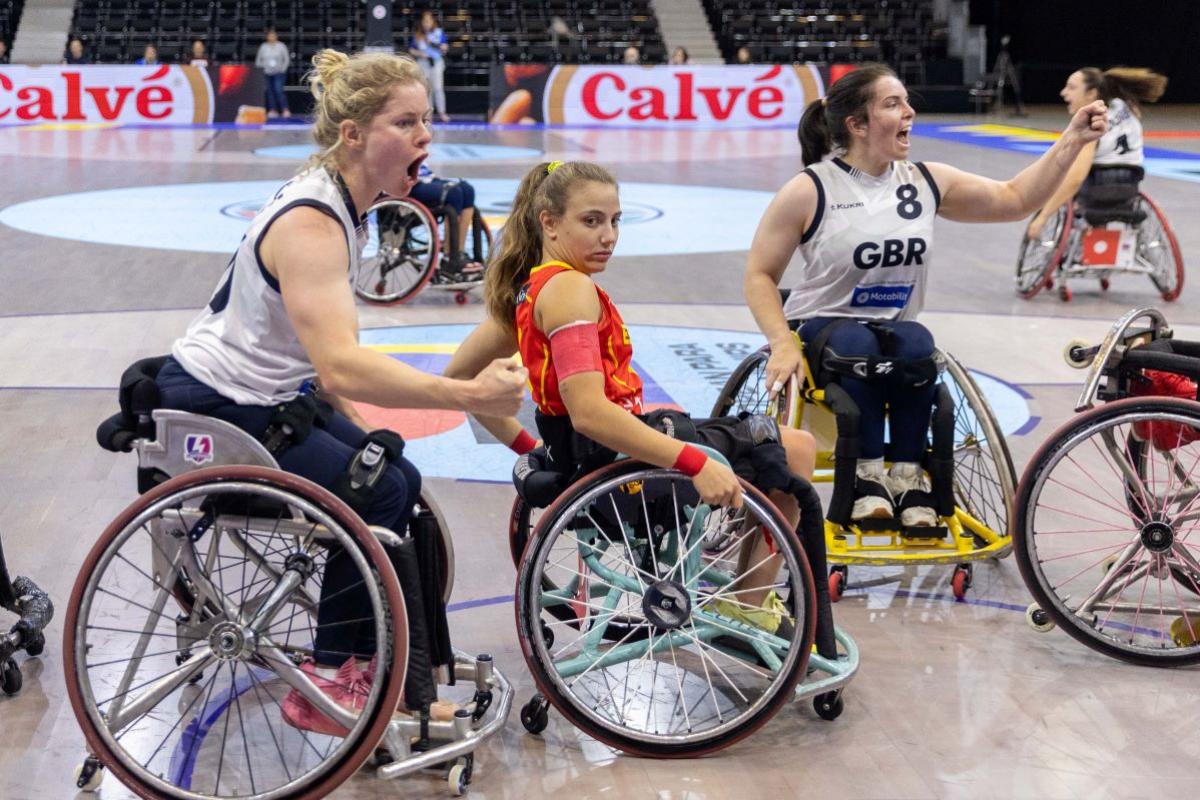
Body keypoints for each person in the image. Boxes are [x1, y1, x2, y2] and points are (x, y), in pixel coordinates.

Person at [152, 49, 527, 733]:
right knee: (378, 491)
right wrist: (470, 395)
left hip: (261, 397)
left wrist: (364, 434)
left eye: (426, 120)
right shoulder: (314, 222)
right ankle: (329, 682)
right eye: (406, 122)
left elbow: (324, 374)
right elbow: (342, 369)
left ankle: (404, 665)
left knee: (396, 473)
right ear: (353, 134)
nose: (425, 136)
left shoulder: (345, 205)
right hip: (216, 408)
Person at [444, 160, 819, 628]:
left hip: (589, 456)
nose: (609, 236)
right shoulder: (570, 290)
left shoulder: (528, 291)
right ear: (549, 222)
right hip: (619, 463)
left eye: (615, 220)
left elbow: (458, 380)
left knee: (729, 433)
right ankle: (748, 599)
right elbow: (589, 414)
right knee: (796, 447)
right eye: (592, 221)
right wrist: (694, 461)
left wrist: (535, 450)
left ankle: (740, 595)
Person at [744, 63, 1107, 527]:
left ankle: (910, 478)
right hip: (823, 327)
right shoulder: (811, 188)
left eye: (906, 100)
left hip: (895, 333)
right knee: (860, 346)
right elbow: (759, 274)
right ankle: (868, 478)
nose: (909, 112)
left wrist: (1072, 139)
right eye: (892, 104)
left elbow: (1016, 199)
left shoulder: (925, 180)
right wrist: (778, 342)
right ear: (857, 124)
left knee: (917, 343)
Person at [1026, 67, 1167, 238]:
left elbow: (1076, 179)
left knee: (1065, 184)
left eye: (1071, 87)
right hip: (1131, 185)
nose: (1064, 93)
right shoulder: (1127, 105)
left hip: (1097, 188)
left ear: (1092, 93)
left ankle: (1081, 240)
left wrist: (1043, 216)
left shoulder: (1094, 123)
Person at [408, 162, 483, 280]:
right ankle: (449, 257)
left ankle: (459, 253)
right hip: (406, 183)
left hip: (424, 177)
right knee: (454, 193)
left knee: (468, 190)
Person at [409, 11, 449, 123]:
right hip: (423, 63)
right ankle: (428, 114)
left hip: (436, 62)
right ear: (422, 23)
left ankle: (442, 113)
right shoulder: (418, 35)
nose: (426, 24)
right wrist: (419, 54)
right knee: (427, 89)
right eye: (424, 21)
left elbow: (445, 47)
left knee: (438, 88)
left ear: (432, 22)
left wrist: (436, 44)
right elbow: (412, 50)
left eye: (428, 21)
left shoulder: (438, 33)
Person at [256, 28, 291, 119]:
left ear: (276, 36)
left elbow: (286, 59)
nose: (271, 37)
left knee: (278, 90)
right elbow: (258, 60)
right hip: (267, 73)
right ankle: (272, 110)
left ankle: (285, 109)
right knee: (269, 91)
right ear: (267, 37)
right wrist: (261, 70)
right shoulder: (263, 46)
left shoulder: (281, 46)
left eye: (273, 35)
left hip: (279, 73)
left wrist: (283, 69)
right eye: (270, 35)